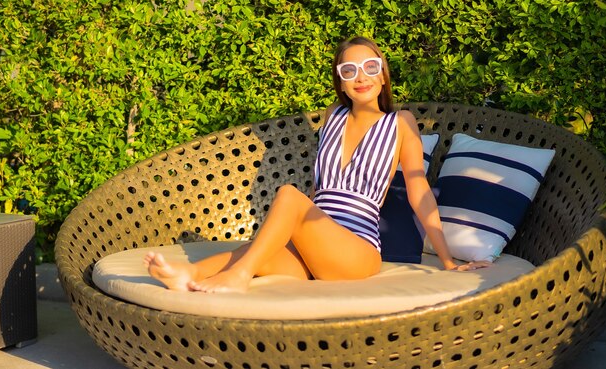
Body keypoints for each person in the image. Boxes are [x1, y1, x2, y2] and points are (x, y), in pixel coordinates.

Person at [144, 36, 491, 293]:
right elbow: (319, 187)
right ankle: (187, 276)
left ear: (383, 76)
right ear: (340, 80)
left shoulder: (400, 122)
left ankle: (238, 277)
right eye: (349, 70)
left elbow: (419, 192)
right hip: (317, 249)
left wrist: (446, 259)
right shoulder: (332, 116)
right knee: (260, 248)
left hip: (356, 250)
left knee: (290, 196)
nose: (361, 76)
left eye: (371, 67)